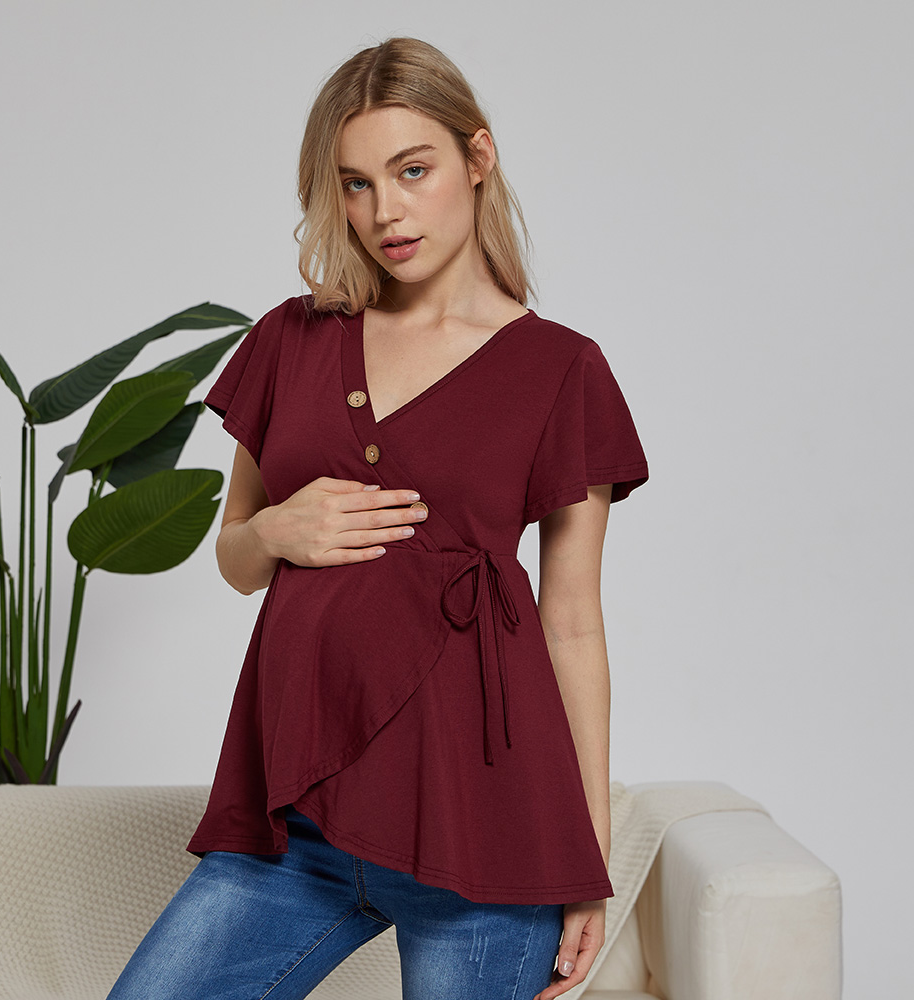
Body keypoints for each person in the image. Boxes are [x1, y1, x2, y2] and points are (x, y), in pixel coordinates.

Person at [107, 36, 648, 1000]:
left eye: (412, 170)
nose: (385, 211)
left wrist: (585, 859)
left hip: (487, 835)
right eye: (355, 184)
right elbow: (236, 556)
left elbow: (572, 624)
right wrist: (275, 533)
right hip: (299, 824)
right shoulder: (292, 338)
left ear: (477, 158)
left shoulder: (560, 368)